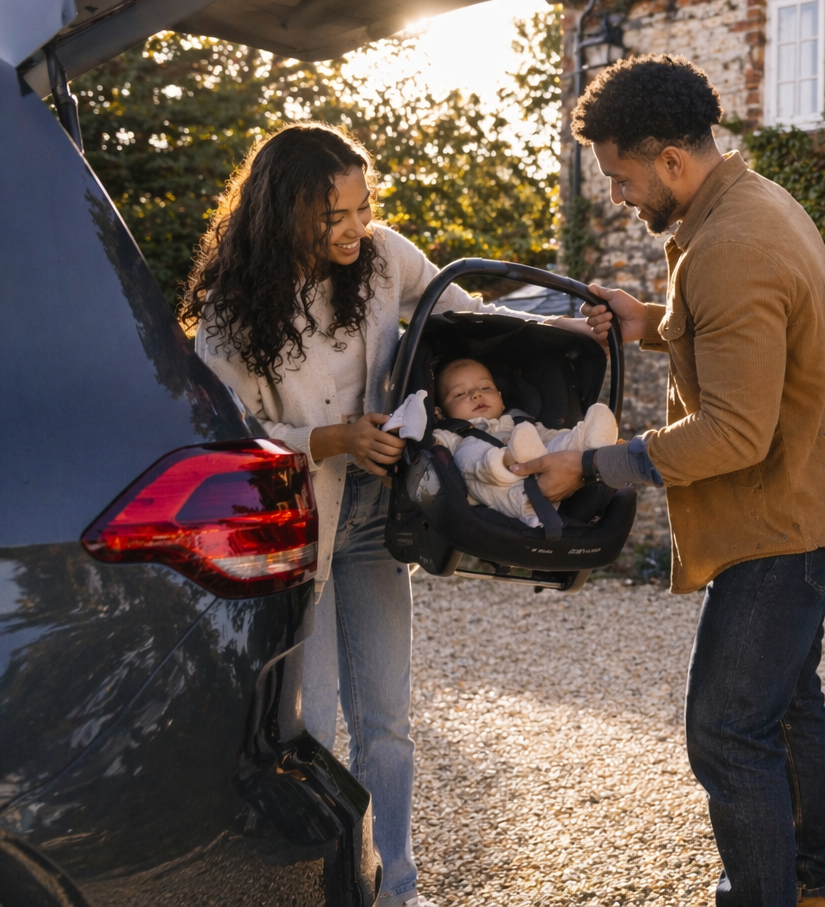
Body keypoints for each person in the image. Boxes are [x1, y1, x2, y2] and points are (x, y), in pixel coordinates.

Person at [513, 55, 825, 907]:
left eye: (621, 176)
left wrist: (598, 465)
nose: (617, 195)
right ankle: (815, 885)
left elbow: (734, 431)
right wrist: (651, 323)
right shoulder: (752, 201)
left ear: (669, 161)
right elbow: (740, 343)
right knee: (787, 697)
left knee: (726, 730)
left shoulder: (731, 248)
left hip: (786, 515)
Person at [184, 122, 591, 907]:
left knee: (389, 720)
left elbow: (464, 317)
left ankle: (393, 891)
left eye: (362, 207)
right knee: (317, 725)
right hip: (299, 525)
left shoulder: (381, 257)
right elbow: (224, 435)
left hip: (379, 515)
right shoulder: (234, 316)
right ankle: (324, 891)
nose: (354, 227)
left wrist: (571, 327)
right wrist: (329, 438)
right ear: (284, 213)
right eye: (334, 215)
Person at [431, 356, 618, 526]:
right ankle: (506, 460)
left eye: (485, 388)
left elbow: (547, 436)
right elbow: (431, 447)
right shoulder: (451, 434)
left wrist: (565, 440)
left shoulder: (518, 421)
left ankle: (588, 442)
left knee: (551, 439)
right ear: (439, 413)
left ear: (501, 399)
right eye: (459, 394)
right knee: (467, 454)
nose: (476, 395)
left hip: (545, 466)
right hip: (497, 486)